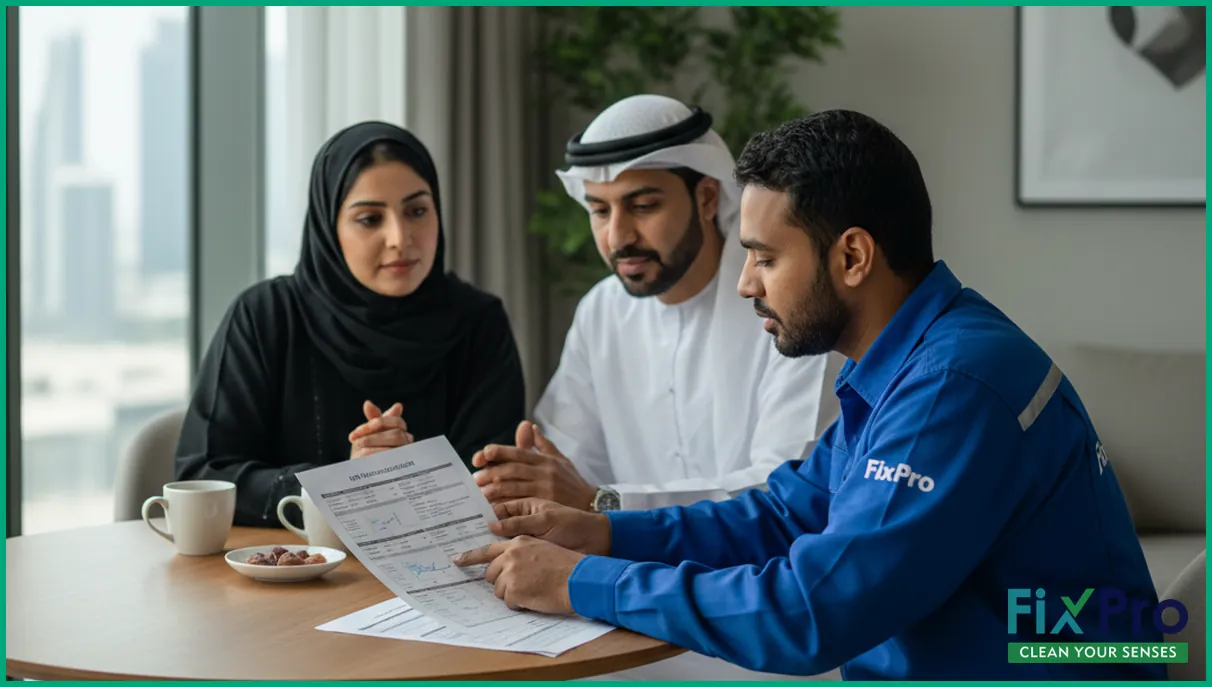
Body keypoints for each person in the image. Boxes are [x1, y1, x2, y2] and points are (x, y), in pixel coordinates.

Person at [453, 110, 1165, 680]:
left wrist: (584, 580)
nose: (745, 282)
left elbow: (812, 612)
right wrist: (607, 533)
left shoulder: (953, 386)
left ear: (852, 256)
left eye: (764, 257)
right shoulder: (907, 358)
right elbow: (788, 512)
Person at [471, 94, 834, 517]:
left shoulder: (786, 304)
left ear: (707, 199)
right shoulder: (601, 311)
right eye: (600, 210)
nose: (618, 236)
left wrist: (602, 502)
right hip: (621, 567)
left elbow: (785, 492)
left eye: (643, 206)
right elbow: (565, 465)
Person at [175, 121, 526, 527]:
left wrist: (398, 479)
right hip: (289, 579)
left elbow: (496, 483)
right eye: (369, 219)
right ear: (329, 227)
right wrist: (340, 485)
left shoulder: (478, 324)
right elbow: (200, 476)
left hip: (442, 576)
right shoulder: (266, 318)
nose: (400, 237)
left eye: (416, 211)